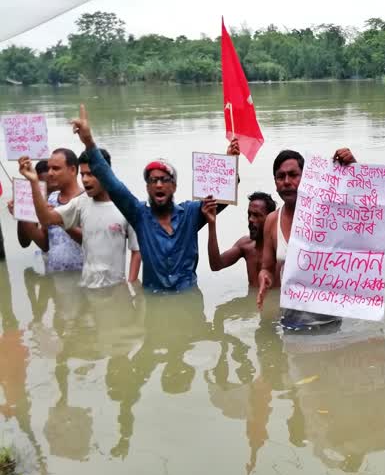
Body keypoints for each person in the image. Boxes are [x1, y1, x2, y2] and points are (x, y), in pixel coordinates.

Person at [69, 104, 235, 292]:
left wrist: (230, 162)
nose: (158, 185)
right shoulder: (139, 215)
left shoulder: (191, 214)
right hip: (154, 299)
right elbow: (113, 185)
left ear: (174, 186)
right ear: (147, 186)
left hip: (189, 300)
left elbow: (221, 198)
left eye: (164, 180)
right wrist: (89, 143)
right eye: (153, 180)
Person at [256, 148, 356, 329]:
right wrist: (265, 278)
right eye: (281, 176)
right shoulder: (272, 221)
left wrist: (352, 165)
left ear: (306, 177)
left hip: (331, 322)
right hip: (291, 322)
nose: (287, 182)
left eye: (293, 175)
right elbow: (267, 268)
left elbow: (361, 208)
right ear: (275, 183)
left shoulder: (329, 213)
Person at [18, 149, 142, 289]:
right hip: (83, 287)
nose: (85, 179)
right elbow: (46, 220)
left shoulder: (126, 205)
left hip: (115, 289)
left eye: (90, 174)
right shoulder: (79, 203)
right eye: (83, 174)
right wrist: (34, 182)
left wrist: (132, 287)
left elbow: (136, 251)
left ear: (106, 173)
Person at [10, 148, 84, 273]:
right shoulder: (52, 199)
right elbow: (45, 244)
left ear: (72, 170)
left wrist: (59, 219)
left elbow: (91, 241)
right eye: (49, 168)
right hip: (55, 279)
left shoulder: (86, 199)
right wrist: (22, 214)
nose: (49, 173)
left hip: (83, 278)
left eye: (55, 168)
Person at [203, 191, 276, 287]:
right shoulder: (246, 245)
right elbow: (216, 265)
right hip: (251, 300)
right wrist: (211, 223)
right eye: (249, 214)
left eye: (256, 215)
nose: (250, 219)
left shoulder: (280, 249)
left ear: (270, 219)